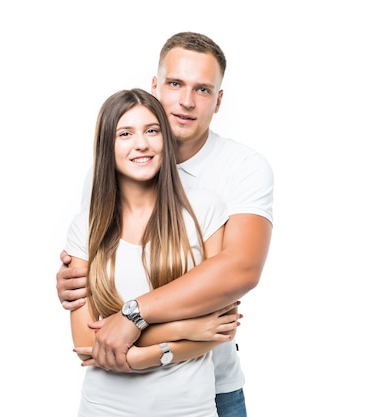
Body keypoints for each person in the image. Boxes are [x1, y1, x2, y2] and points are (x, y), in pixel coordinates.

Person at [59, 32, 274, 417]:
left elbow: (237, 272)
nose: (186, 101)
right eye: (175, 83)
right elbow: (90, 328)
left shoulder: (239, 171)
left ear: (219, 100)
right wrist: (76, 284)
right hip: (110, 398)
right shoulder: (104, 178)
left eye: (203, 89)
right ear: (155, 87)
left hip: (209, 388)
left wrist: (130, 318)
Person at [66, 88, 241, 416]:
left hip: (189, 409)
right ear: (108, 145)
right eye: (125, 133)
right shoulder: (86, 227)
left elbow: (221, 325)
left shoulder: (204, 210)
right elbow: (89, 345)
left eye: (152, 130)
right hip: (105, 408)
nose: (141, 144)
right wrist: (183, 329)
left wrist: (127, 336)